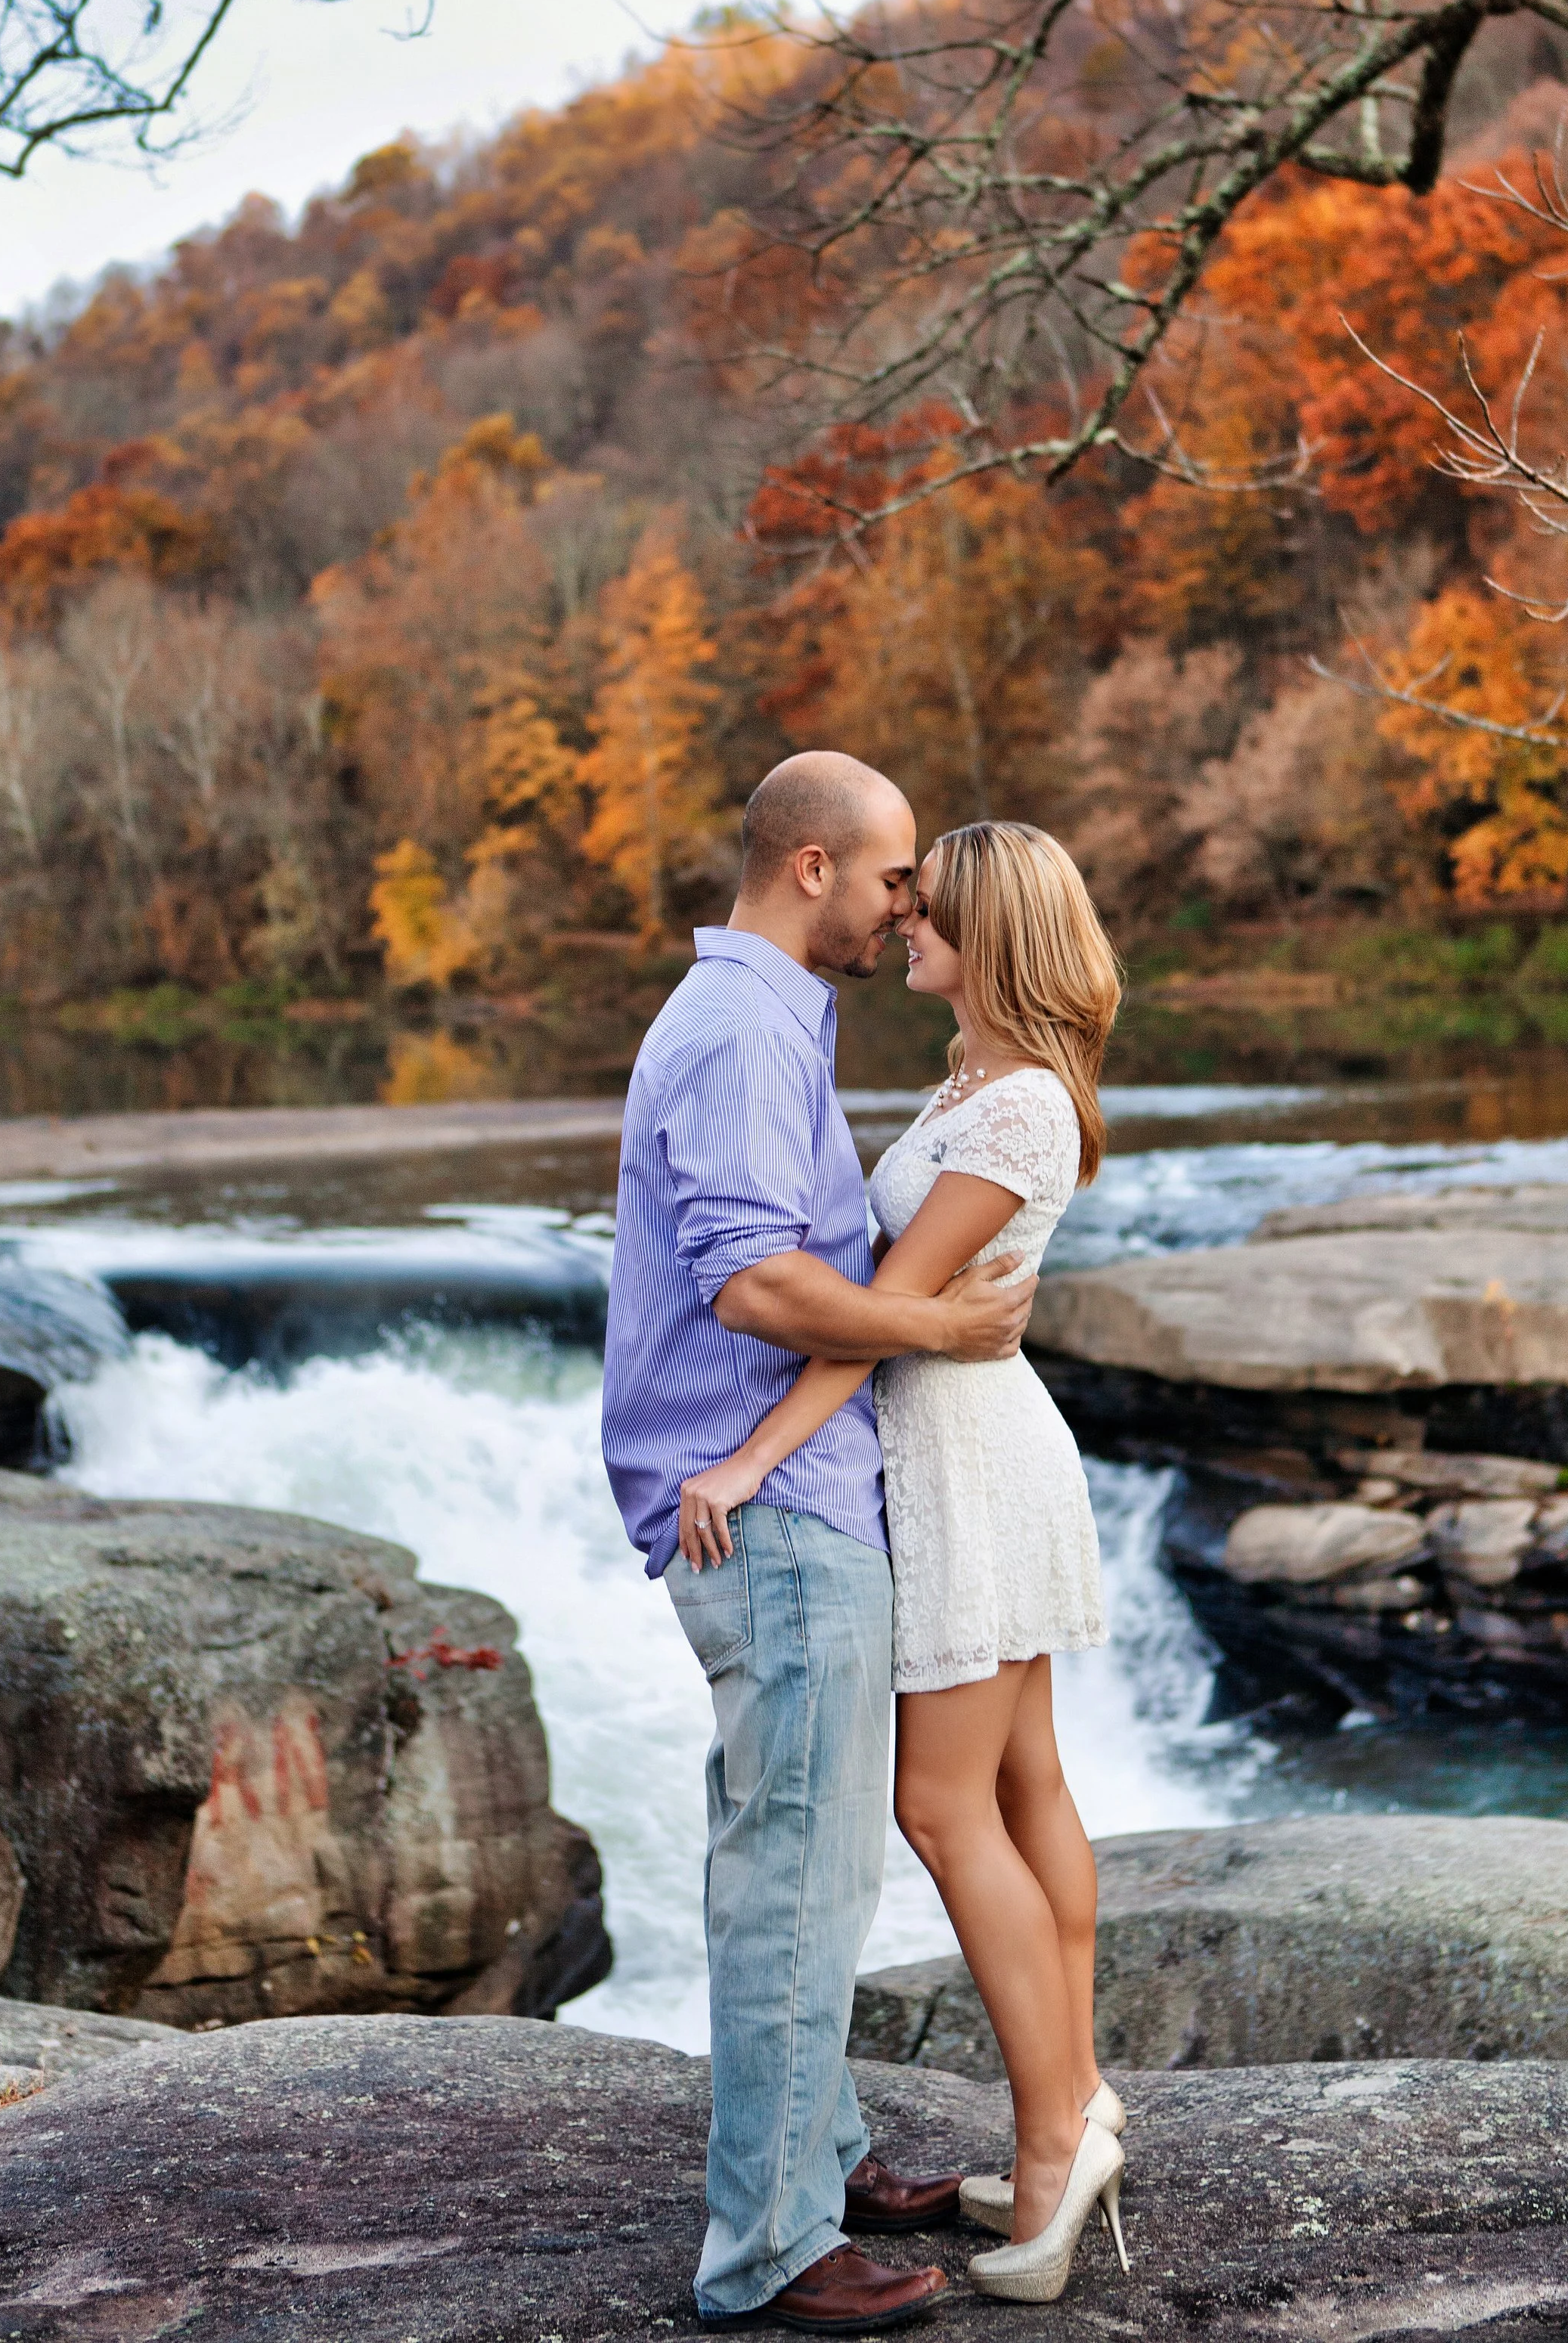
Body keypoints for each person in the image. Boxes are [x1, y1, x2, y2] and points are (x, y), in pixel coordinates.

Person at [602, 753, 1040, 2334]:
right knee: (795, 1874)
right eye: (888, 875)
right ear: (807, 870)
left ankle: (817, 2158)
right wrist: (933, 1320)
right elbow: (749, 1284)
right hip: (767, 1512)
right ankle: (770, 2249)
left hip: (791, 1496)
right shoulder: (731, 1026)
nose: (904, 899)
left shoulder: (779, 1013)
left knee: (806, 1864)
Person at [678, 819, 1128, 2309]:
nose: (901, 925)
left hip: (961, 1463)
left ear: (984, 934)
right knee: (1023, 1789)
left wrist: (747, 1460)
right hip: (966, 1445)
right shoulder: (978, 1082)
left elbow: (885, 1309)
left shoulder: (1012, 1116)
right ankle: (1068, 2113)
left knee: (943, 1807)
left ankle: (1060, 2143)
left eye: (925, 908)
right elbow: (900, 1309)